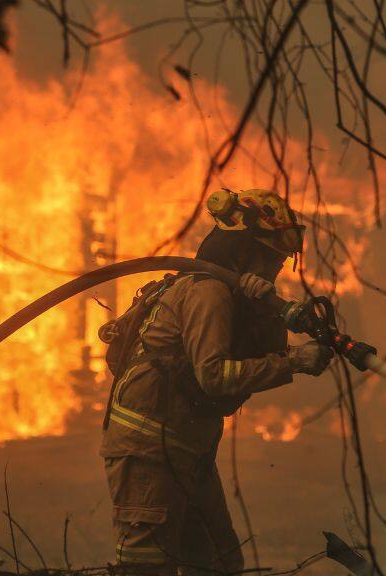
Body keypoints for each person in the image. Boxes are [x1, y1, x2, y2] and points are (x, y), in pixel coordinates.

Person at [100, 189, 334, 574]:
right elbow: (215, 377)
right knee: (147, 567)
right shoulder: (208, 292)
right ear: (244, 250)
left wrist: (266, 312)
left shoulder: (235, 297)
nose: (276, 266)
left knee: (219, 564)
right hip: (148, 452)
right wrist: (294, 361)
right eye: (271, 255)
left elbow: (256, 357)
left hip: (188, 450)